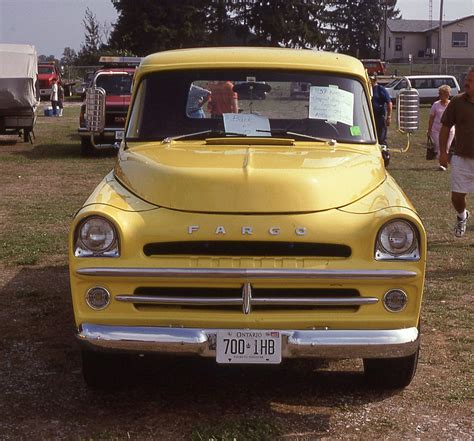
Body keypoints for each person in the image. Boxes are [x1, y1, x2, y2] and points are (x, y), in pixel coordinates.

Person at [439, 67, 474, 237]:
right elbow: (446, 126)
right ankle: (462, 215)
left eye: (471, 81)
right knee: (457, 198)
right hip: (461, 157)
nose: (467, 83)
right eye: (467, 79)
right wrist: (443, 152)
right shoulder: (457, 102)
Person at [427, 85, 455, 171]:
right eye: (441, 94)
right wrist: (429, 129)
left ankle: (444, 162)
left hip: (449, 130)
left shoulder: (452, 104)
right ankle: (442, 164)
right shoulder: (436, 105)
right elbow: (431, 118)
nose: (443, 96)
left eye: (446, 94)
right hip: (436, 130)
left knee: (446, 147)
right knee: (439, 146)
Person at [370, 74, 393, 146]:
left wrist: (389, 117)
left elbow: (389, 103)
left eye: (372, 79)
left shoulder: (380, 89)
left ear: (375, 80)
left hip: (379, 117)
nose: (370, 81)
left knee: (381, 138)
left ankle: (384, 152)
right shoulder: (367, 89)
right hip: (369, 118)